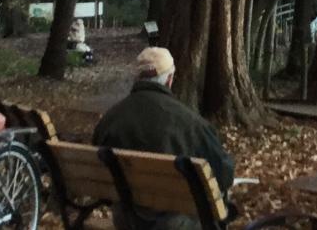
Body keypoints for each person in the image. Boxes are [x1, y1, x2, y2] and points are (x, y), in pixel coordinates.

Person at [92, 47, 235, 230]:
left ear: (137, 78)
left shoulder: (110, 119)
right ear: (169, 79)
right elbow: (223, 174)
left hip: (126, 219)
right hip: (175, 223)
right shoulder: (191, 124)